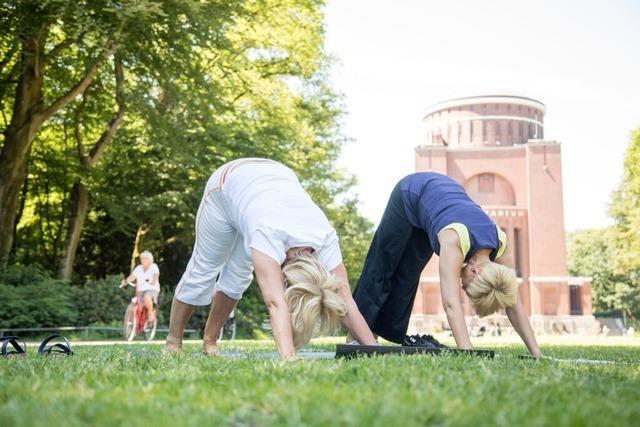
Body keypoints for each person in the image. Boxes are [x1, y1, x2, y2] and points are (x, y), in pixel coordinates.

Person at [165, 158, 377, 358]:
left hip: (272, 180)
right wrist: (288, 357)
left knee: (238, 276)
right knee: (204, 269)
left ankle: (209, 342)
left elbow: (346, 301)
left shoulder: (325, 237)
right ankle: (173, 342)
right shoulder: (269, 234)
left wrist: (373, 350)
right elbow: (275, 302)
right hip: (227, 184)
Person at [351, 172, 541, 356]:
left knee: (407, 275)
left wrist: (536, 353)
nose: (461, 286)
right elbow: (451, 304)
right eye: (465, 286)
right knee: (383, 264)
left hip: (435, 203)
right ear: (474, 271)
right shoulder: (454, 240)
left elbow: (514, 304)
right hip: (412, 191)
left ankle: (373, 334)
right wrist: (467, 352)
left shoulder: (501, 243)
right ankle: (356, 337)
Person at [120, 251, 160, 324]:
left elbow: (156, 274)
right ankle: (133, 324)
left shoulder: (153, 266)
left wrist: (154, 281)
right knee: (136, 304)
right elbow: (132, 277)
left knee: (147, 297)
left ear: (150, 260)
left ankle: (150, 313)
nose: (143, 260)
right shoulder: (138, 268)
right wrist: (125, 281)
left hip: (152, 289)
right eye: (142, 259)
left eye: (145, 259)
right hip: (140, 290)